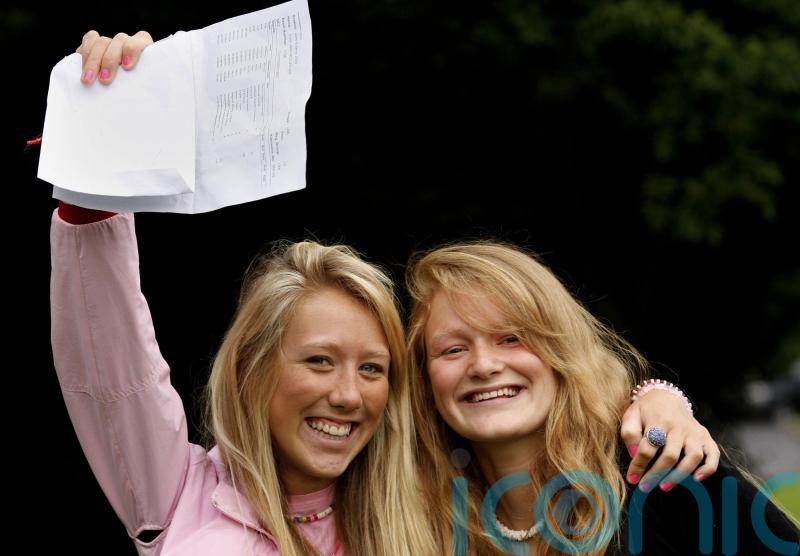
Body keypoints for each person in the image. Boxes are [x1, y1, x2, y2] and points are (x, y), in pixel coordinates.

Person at [52, 31, 729, 555]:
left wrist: (654, 398)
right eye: (319, 360)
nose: (347, 395)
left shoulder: (424, 506)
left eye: (373, 369)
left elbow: (546, 398)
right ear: (254, 370)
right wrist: (100, 164)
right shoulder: (183, 491)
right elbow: (111, 363)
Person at [405, 241, 799, 555]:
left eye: (512, 338)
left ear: (561, 350)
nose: (484, 365)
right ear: (424, 377)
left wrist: (663, 402)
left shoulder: (663, 475)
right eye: (453, 350)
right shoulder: (411, 511)